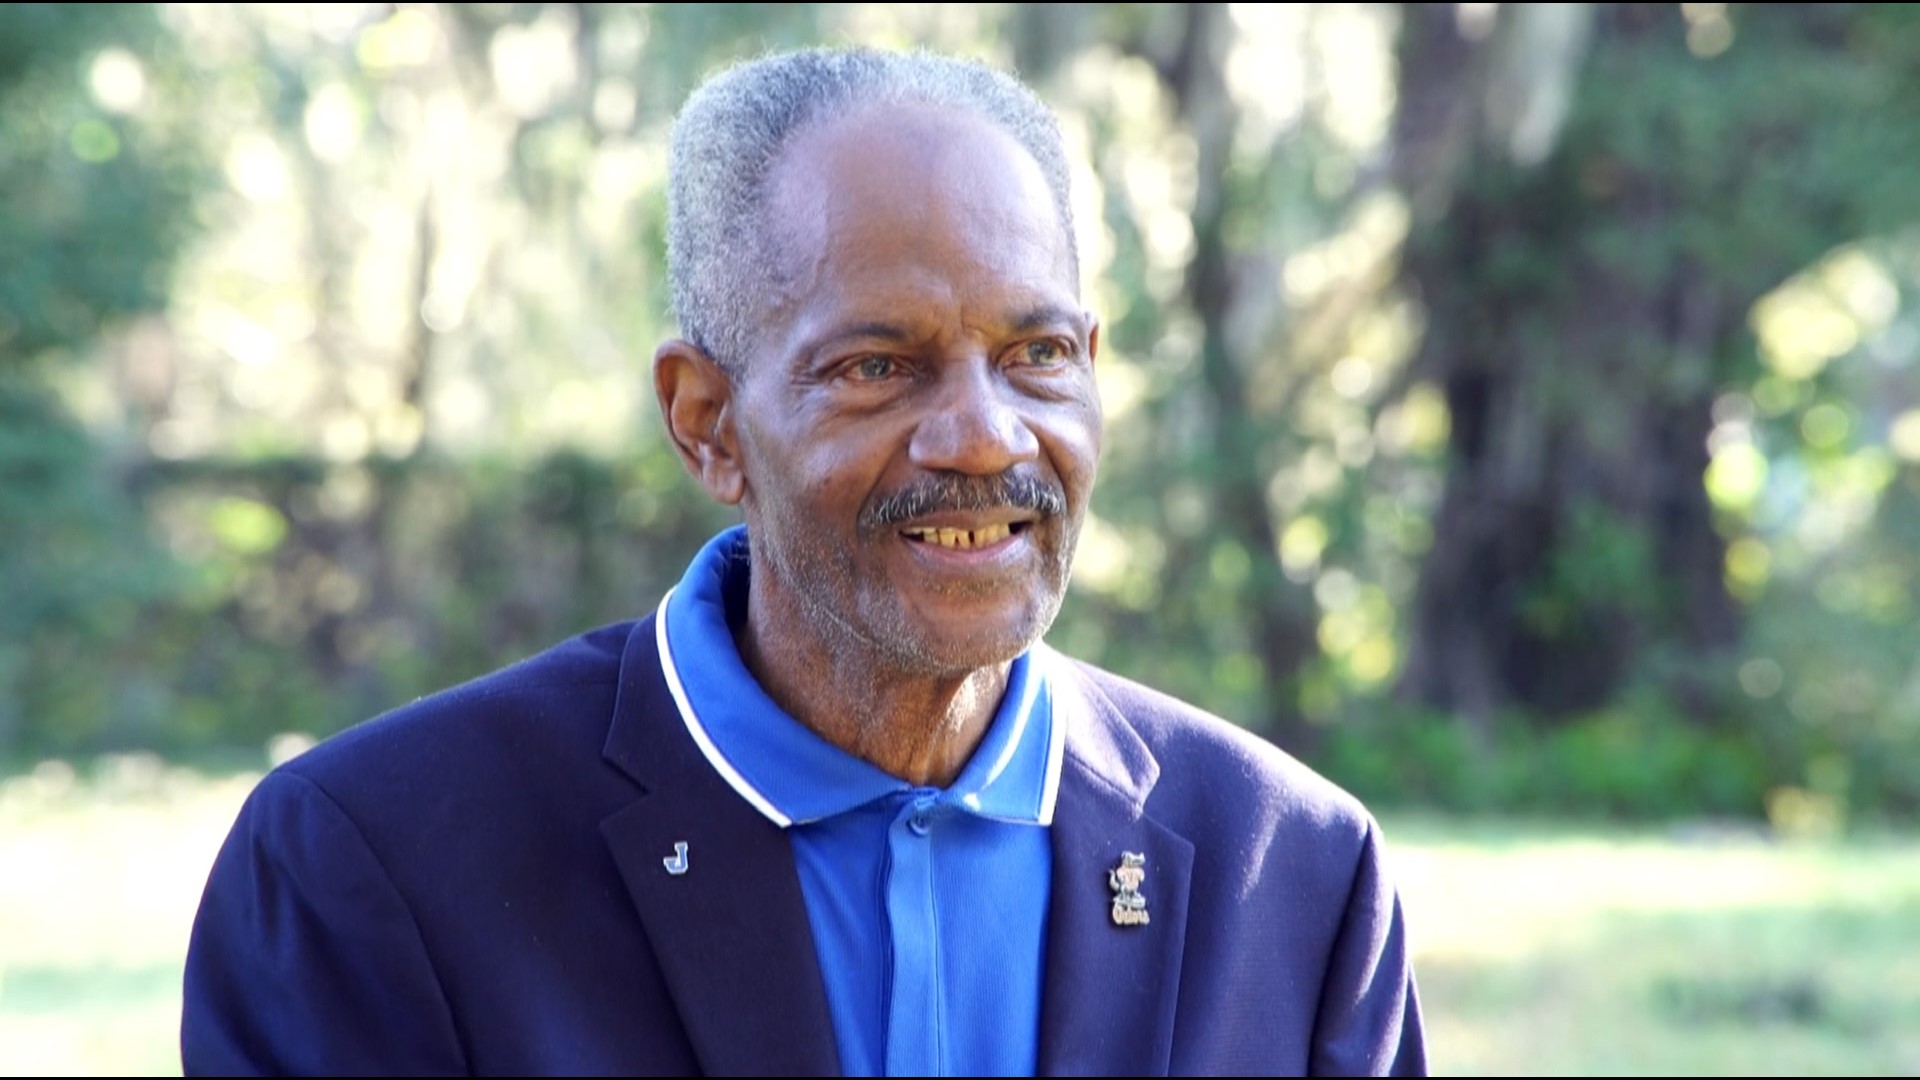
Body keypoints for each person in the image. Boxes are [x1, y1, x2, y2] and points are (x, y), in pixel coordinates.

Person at [181, 46, 1425, 1077]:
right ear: (706, 422)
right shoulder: (371, 870)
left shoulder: (1298, 883)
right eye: (878, 365)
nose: (984, 435)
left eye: (1036, 353)